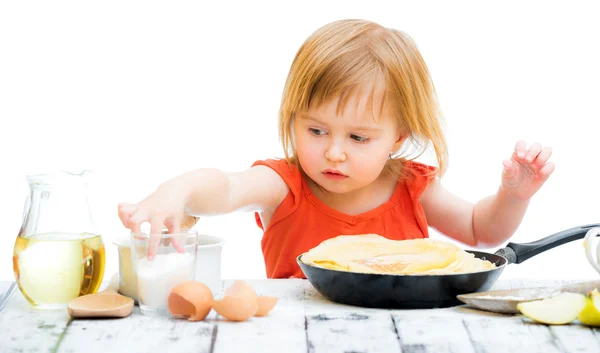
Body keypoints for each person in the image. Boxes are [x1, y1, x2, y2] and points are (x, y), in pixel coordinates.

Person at [118, 19, 554, 278]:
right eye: (316, 131)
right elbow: (226, 188)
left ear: (398, 137)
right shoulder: (285, 184)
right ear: (293, 118)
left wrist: (513, 196)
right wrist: (176, 190)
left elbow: (483, 231)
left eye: (358, 138)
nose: (334, 153)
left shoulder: (411, 185)